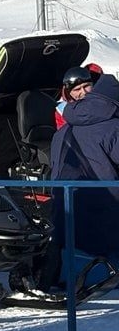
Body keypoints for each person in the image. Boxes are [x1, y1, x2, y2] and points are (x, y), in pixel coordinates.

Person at [50, 72, 119, 267]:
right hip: (107, 210)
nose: (83, 93)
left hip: (67, 210)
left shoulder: (62, 130)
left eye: (86, 87)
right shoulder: (112, 126)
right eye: (77, 89)